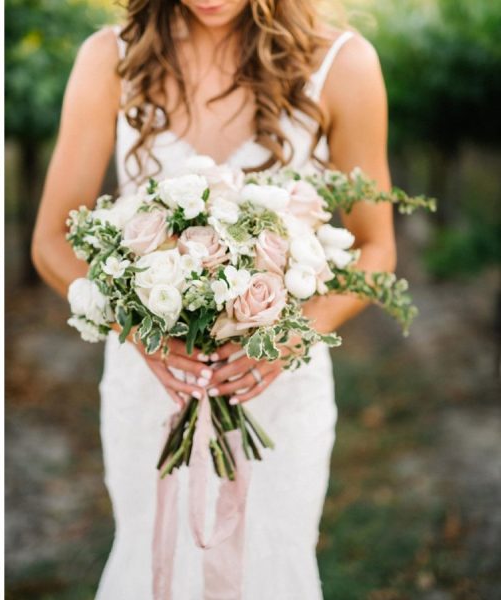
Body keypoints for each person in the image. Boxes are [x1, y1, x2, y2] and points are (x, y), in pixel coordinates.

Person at [30, 0, 397, 597]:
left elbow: (377, 248)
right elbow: (50, 240)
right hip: (150, 381)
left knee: (271, 564)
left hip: (278, 386)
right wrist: (134, 327)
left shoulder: (343, 65)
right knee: (150, 555)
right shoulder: (108, 59)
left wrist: (290, 336)